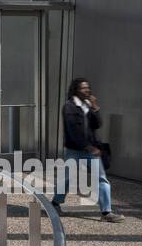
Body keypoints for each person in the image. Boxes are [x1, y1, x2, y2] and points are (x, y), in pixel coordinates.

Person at [52, 77, 124, 222]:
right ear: (75, 90)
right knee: (67, 177)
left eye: (87, 88)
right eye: (83, 88)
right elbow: (73, 130)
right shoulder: (69, 107)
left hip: (91, 150)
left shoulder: (88, 105)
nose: (87, 90)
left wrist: (95, 107)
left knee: (102, 179)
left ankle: (106, 212)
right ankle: (55, 203)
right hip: (75, 150)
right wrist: (88, 147)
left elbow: (97, 125)